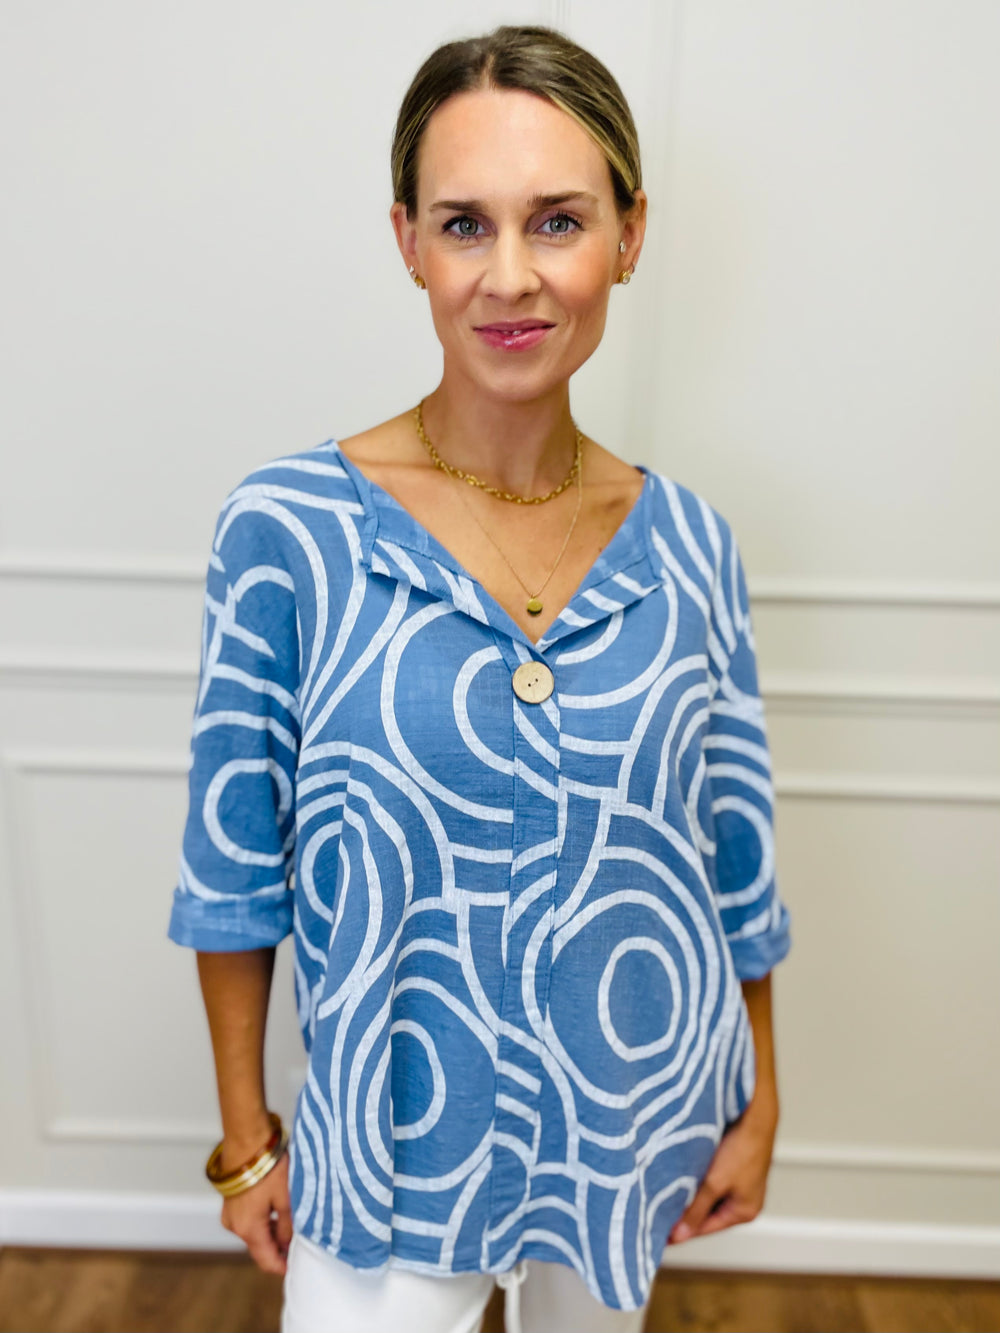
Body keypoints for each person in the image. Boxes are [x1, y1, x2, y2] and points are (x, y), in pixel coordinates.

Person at [168, 24, 791, 1333]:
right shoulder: (290, 531)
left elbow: (730, 858)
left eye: (558, 220)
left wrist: (758, 1094)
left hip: (628, 1130)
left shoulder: (693, 544)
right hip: (386, 1153)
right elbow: (233, 861)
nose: (512, 277)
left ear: (630, 233)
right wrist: (246, 1137)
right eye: (465, 225)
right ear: (408, 241)